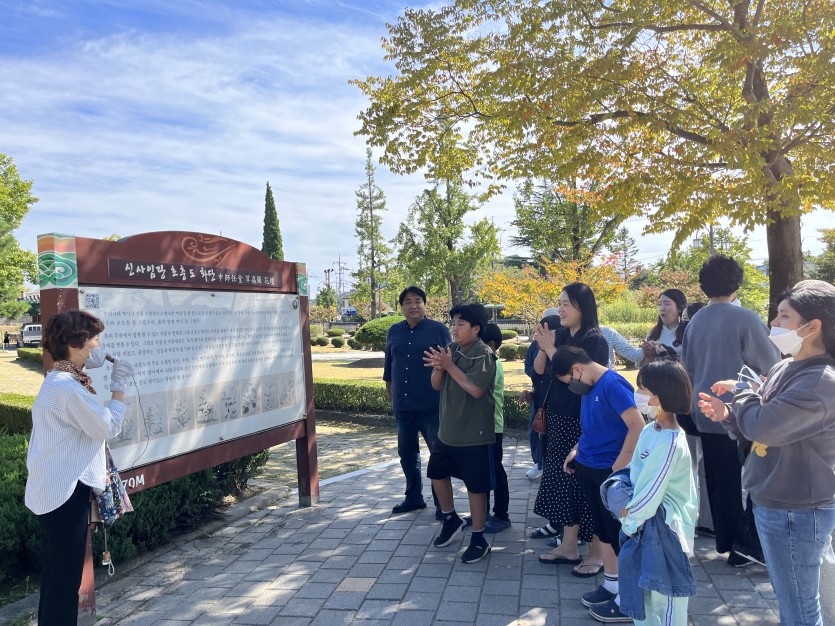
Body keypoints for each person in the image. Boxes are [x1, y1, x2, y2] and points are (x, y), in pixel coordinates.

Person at [698, 279, 835, 626]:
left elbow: (765, 425)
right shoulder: (785, 366)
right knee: (792, 599)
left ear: (813, 326)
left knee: (800, 608)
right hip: (773, 500)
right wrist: (730, 415)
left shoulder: (820, 381)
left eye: (784, 317)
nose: (774, 324)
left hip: (798, 510)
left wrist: (742, 391)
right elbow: (757, 426)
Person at [25, 311, 133, 625]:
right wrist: (119, 388)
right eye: (94, 338)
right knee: (64, 579)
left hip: (58, 489)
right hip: (64, 493)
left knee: (59, 575)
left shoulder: (61, 381)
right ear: (75, 343)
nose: (99, 345)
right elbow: (107, 426)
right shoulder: (66, 388)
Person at [681, 254, 780, 567]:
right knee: (756, 480)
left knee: (720, 482)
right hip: (742, 415)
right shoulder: (746, 319)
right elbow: (773, 367)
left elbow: (689, 367)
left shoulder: (696, 320)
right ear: (737, 282)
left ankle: (730, 541)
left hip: (704, 412)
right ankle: (748, 543)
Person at [590, 359, 698, 624]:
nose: (637, 393)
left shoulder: (671, 441)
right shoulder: (652, 430)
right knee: (645, 598)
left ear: (657, 398)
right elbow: (635, 474)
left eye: (642, 389)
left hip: (666, 531)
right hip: (643, 526)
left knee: (668, 599)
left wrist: (628, 522)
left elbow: (651, 493)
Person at [552, 346, 646, 623]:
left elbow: (637, 425)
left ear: (577, 370)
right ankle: (612, 584)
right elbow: (592, 428)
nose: (571, 387)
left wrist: (618, 466)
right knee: (603, 530)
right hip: (589, 466)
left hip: (609, 471)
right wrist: (576, 451)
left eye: (569, 381)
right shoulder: (589, 387)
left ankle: (628, 600)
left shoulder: (612, 384)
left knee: (619, 534)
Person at [530, 283, 609, 578]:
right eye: (559, 303)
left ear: (583, 307)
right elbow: (540, 371)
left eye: (567, 304)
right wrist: (543, 346)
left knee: (584, 482)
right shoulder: (561, 335)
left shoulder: (594, 341)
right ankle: (568, 545)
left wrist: (552, 350)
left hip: (582, 420)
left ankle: (598, 554)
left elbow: (580, 381)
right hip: (557, 417)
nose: (560, 309)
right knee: (564, 483)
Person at [423, 303, 497, 564]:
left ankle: (479, 538)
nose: (454, 328)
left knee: (476, 488)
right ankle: (451, 518)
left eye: (461, 324)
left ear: (476, 329)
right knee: (436, 475)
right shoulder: (450, 350)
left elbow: (475, 389)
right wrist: (440, 368)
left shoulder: (483, 354)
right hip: (447, 432)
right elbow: (434, 385)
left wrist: (449, 365)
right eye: (453, 323)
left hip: (474, 434)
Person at [383, 286, 451, 518]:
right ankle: (413, 497)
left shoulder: (438, 330)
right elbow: (388, 368)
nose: (413, 306)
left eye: (418, 301)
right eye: (408, 302)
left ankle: (443, 505)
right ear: (401, 307)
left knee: (438, 455)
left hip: (432, 406)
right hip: (403, 407)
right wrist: (392, 397)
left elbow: (450, 366)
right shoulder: (394, 331)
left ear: (425, 304)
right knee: (407, 454)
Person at [480, 323, 511, 532]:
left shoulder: (492, 362)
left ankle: (501, 515)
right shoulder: (489, 361)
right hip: (483, 427)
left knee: (495, 472)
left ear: (490, 344)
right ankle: (483, 513)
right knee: (484, 472)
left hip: (492, 427)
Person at [523, 309, 560, 479]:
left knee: (553, 438)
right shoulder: (535, 346)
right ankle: (539, 463)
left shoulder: (564, 347)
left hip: (559, 404)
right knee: (536, 432)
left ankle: (550, 468)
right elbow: (534, 371)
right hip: (540, 398)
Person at [640, 289, 687, 363]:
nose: (662, 308)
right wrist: (648, 353)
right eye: (660, 304)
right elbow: (643, 366)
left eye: (667, 304)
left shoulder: (688, 332)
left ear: (680, 308)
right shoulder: (654, 332)